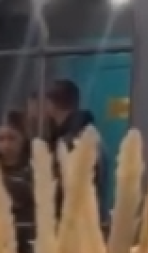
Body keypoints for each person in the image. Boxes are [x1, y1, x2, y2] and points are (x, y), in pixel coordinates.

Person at [44, 78, 107, 212]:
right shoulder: (90, 135)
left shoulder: (69, 142)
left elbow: (64, 187)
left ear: (50, 105)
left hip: (74, 216)